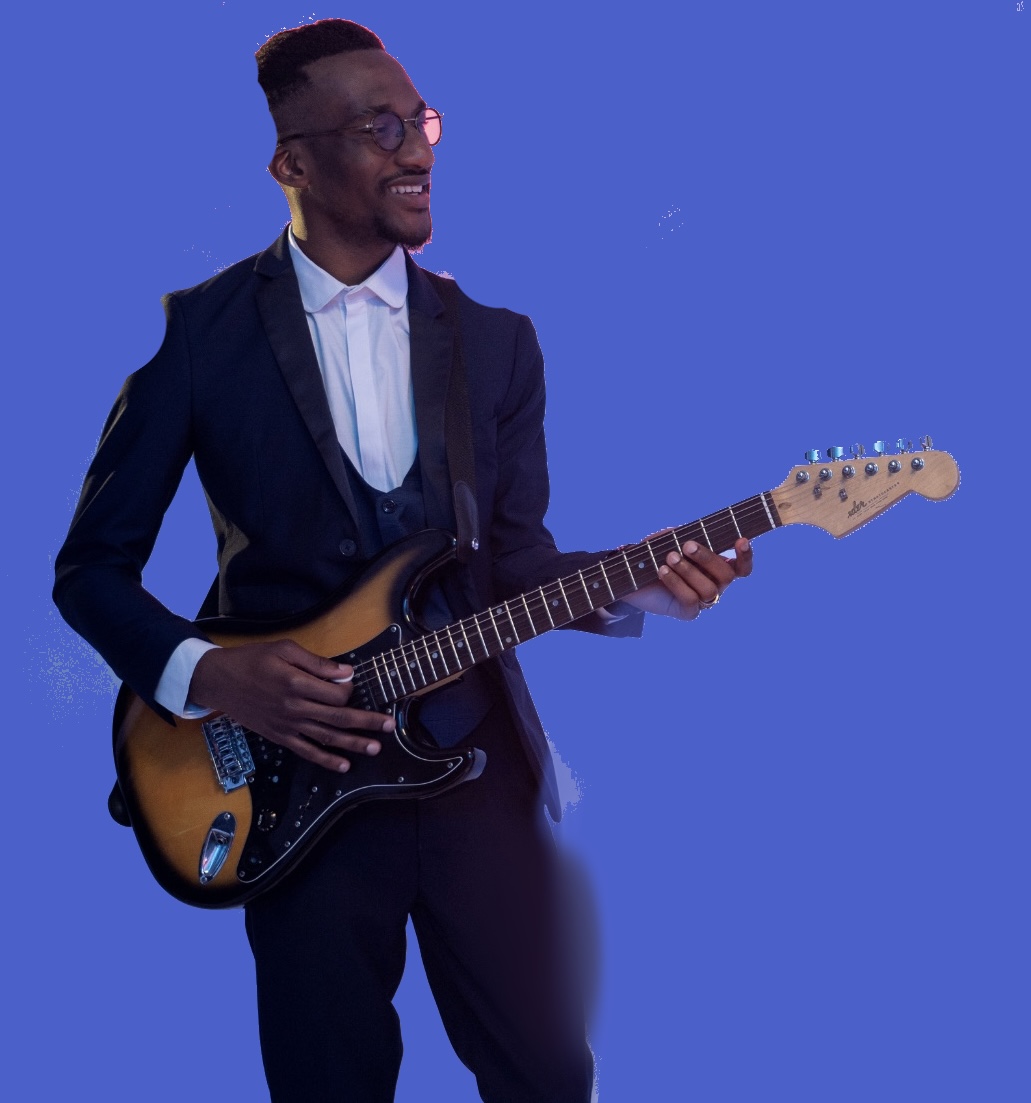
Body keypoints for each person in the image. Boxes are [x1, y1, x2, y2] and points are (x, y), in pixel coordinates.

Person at [53, 18, 753, 1103]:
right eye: (379, 127)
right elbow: (89, 569)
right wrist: (211, 673)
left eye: (420, 121)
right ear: (292, 163)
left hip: (476, 776)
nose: (417, 150)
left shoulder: (497, 341)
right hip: (295, 793)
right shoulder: (202, 336)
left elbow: (510, 564)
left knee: (547, 1076)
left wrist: (640, 592)